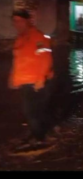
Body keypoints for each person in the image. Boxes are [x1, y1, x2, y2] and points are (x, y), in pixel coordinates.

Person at [9, 9, 54, 146]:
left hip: (35, 82)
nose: (17, 24)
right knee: (31, 112)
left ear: (28, 21)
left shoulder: (38, 37)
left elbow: (46, 58)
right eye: (14, 21)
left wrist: (40, 79)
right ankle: (39, 132)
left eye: (19, 20)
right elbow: (18, 60)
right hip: (24, 82)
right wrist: (13, 77)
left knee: (31, 112)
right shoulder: (20, 39)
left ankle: (40, 138)